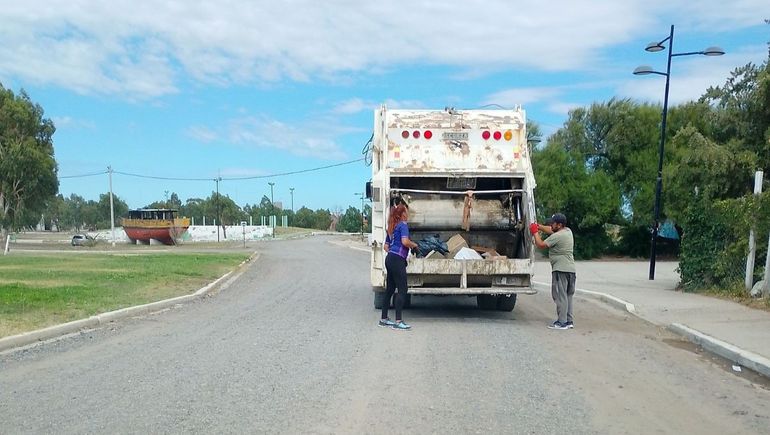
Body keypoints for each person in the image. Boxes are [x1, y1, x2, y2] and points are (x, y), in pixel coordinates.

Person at [529, 213, 576, 330]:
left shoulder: (557, 236)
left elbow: (540, 244)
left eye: (553, 223)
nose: (551, 225)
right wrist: (539, 226)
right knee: (568, 296)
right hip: (570, 270)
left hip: (560, 269)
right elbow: (550, 230)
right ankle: (569, 321)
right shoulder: (567, 231)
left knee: (560, 296)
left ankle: (561, 322)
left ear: (559, 225)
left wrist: (535, 232)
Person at [380, 202, 419, 330]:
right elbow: (405, 241)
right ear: (402, 214)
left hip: (389, 258)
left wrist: (394, 251)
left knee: (390, 289)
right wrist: (414, 246)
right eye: (406, 212)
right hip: (397, 260)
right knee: (403, 290)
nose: (407, 215)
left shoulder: (391, 227)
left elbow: (386, 247)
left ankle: (384, 319)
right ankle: (398, 321)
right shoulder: (403, 225)